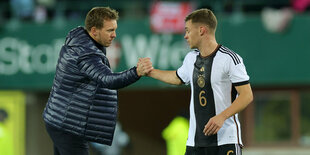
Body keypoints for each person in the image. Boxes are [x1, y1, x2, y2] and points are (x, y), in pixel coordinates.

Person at [42, 7, 152, 155]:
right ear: (94, 31)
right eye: (109, 30)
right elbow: (108, 80)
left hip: (59, 119)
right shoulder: (87, 54)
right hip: (68, 124)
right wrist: (136, 72)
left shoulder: (80, 42)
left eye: (115, 29)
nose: (114, 35)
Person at [148, 8, 253, 155]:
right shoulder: (191, 58)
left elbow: (247, 95)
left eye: (188, 31)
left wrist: (221, 116)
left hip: (225, 140)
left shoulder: (230, 59)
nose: (185, 36)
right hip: (195, 143)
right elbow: (176, 78)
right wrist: (149, 72)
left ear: (202, 30)